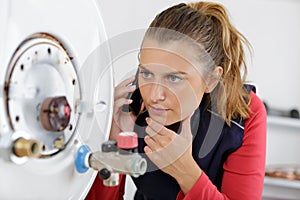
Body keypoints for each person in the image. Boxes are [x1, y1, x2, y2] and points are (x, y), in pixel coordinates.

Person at [86, 1, 266, 200]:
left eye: (174, 78)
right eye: (146, 73)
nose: (154, 95)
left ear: (211, 79)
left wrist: (185, 171)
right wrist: (111, 144)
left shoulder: (245, 113)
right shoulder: (131, 107)